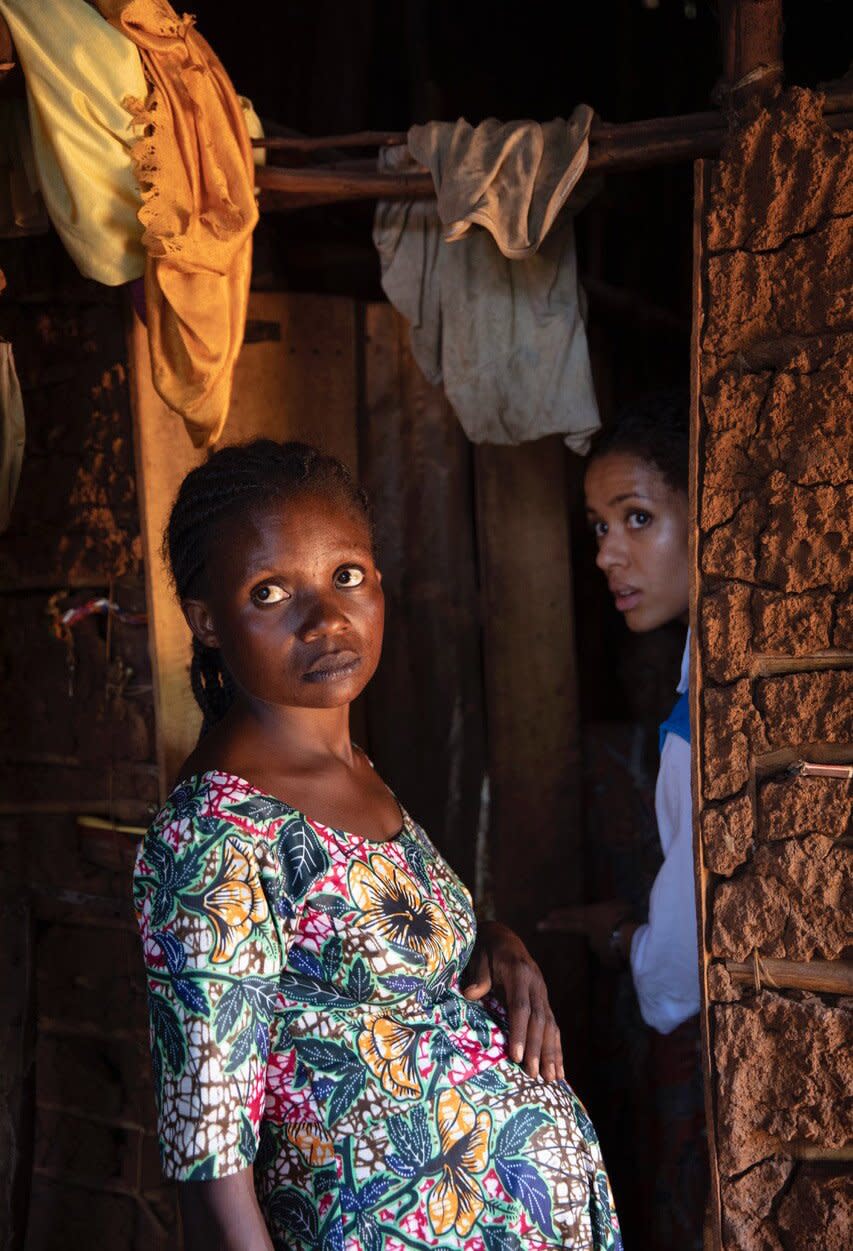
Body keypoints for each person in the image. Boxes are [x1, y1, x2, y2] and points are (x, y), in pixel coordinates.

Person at [133, 439, 623, 1251]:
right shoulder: (214, 832)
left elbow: (378, 958)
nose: (326, 617)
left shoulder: (355, 771)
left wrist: (495, 944)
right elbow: (209, 1165)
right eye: (270, 590)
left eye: (347, 575)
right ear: (206, 620)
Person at [539, 392, 705, 1249]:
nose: (607, 553)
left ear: (710, 507)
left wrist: (620, 942)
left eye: (636, 518)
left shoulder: (712, 707)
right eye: (600, 526)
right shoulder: (697, 680)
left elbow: (677, 977)